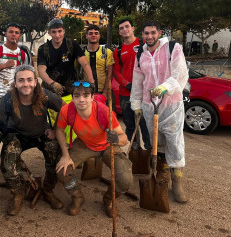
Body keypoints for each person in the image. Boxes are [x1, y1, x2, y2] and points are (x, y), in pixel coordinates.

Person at [0, 65, 64, 216]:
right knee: (7, 165)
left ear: (35, 82)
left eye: (29, 80)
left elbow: (66, 110)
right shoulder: (8, 100)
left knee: (54, 155)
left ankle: (48, 190)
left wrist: (55, 129)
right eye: (21, 80)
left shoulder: (45, 95)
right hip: (17, 134)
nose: (26, 84)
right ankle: (18, 193)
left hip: (42, 133)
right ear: (15, 83)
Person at [130, 20, 189, 203]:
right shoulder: (141, 53)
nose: (149, 36)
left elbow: (180, 73)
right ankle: (162, 174)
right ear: (142, 35)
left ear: (159, 33)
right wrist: (136, 104)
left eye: (153, 33)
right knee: (157, 142)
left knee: (175, 142)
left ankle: (177, 182)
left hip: (171, 103)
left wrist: (164, 87)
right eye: (146, 33)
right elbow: (137, 80)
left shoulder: (172, 48)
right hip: (149, 105)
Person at [55, 81, 133, 217]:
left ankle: (109, 199)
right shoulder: (67, 110)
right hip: (84, 143)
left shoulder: (104, 112)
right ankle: (77, 197)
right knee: (63, 171)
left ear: (92, 97)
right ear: (72, 97)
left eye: (86, 95)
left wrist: (115, 139)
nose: (81, 99)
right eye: (77, 95)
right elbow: (59, 130)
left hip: (107, 145)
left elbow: (124, 139)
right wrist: (65, 155)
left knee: (126, 180)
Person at [113, 18, 151, 150]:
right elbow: (116, 72)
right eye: (121, 28)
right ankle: (134, 152)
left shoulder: (144, 44)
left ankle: (150, 152)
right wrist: (126, 83)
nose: (124, 30)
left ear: (133, 28)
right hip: (126, 94)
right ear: (119, 32)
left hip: (144, 93)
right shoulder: (118, 50)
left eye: (126, 26)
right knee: (130, 126)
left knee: (146, 125)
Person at [37, 18, 95, 97]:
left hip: (70, 90)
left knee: (68, 109)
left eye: (59, 31)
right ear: (49, 33)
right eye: (54, 32)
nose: (57, 35)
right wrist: (52, 83)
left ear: (64, 31)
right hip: (50, 91)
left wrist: (91, 82)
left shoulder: (72, 45)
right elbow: (41, 70)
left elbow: (85, 64)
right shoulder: (43, 49)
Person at [0, 22, 30, 103]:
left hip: (16, 96)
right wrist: (4, 65)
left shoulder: (23, 55)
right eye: (11, 32)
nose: (14, 34)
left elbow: (26, 75)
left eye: (17, 33)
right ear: (6, 34)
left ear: (19, 36)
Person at [81, 24, 114, 100]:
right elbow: (77, 70)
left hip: (102, 92)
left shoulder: (107, 52)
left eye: (96, 33)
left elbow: (110, 73)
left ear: (99, 36)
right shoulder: (81, 53)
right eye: (90, 33)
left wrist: (105, 92)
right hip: (86, 92)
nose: (93, 35)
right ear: (86, 36)